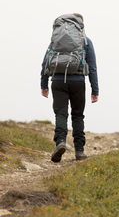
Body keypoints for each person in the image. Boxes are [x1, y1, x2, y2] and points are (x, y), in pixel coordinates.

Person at [40, 13, 99, 162]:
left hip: (58, 80)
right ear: (81, 25)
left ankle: (60, 142)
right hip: (78, 82)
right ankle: (79, 151)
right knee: (77, 116)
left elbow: (46, 62)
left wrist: (44, 84)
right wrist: (95, 90)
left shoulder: (56, 40)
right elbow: (92, 67)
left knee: (61, 114)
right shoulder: (85, 41)